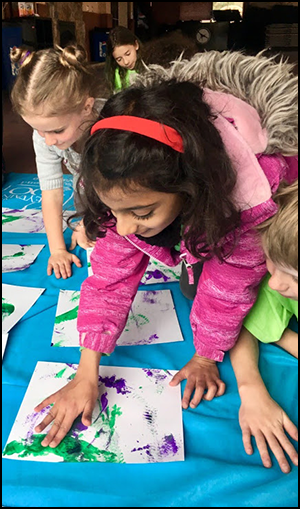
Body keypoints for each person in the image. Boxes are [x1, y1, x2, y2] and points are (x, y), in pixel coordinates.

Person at [33, 50, 298, 448]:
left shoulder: (248, 195)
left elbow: (228, 288)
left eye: (141, 211)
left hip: (236, 211)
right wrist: (86, 373)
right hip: (196, 214)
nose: (122, 227)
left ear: (189, 186)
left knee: (210, 291)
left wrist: (207, 355)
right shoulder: (119, 180)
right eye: (114, 210)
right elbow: (109, 278)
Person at [10, 45, 107, 279]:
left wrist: (92, 222)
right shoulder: (45, 135)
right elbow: (51, 193)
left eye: (57, 130)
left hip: (122, 199)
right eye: (38, 130)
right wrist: (57, 250)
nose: (49, 141)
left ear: (87, 106)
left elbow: (128, 190)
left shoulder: (112, 125)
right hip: (85, 195)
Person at [230, 180, 298, 474]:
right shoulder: (277, 279)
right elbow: (239, 318)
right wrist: (250, 388)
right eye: (272, 262)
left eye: (294, 277)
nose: (276, 282)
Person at [105, 25, 144, 93]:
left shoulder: (150, 65)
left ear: (136, 45)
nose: (126, 62)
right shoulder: (117, 74)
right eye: (119, 59)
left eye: (128, 54)